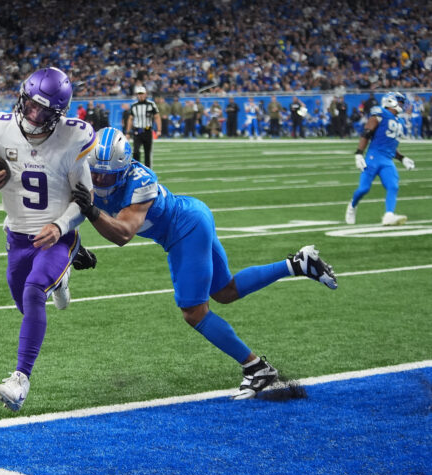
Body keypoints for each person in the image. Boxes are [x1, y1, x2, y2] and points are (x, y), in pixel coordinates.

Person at [72, 127, 338, 399]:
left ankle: (256, 368)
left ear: (124, 168)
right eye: (95, 172)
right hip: (191, 217)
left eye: (107, 175)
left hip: (185, 227)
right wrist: (74, 241)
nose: (99, 179)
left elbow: (123, 234)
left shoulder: (140, 182)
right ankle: (299, 264)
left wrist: (91, 211)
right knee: (225, 291)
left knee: (194, 312)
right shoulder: (82, 169)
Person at [0, 67, 97, 412]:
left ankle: (20, 381)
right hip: (18, 235)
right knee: (23, 303)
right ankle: (62, 278)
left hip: (56, 236)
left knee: (34, 290)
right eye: (31, 105)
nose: (34, 115)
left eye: (43, 111)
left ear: (59, 115)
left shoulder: (73, 138)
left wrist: (61, 227)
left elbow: (85, 201)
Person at [345, 92, 416, 226]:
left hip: (387, 160)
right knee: (364, 189)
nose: (402, 105)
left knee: (393, 186)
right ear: (390, 101)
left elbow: (389, 145)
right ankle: (352, 206)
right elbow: (367, 132)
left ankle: (389, 215)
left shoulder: (399, 121)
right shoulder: (380, 113)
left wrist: (402, 158)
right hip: (374, 157)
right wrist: (359, 153)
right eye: (400, 102)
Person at [126, 86, 160, 167]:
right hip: (137, 131)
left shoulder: (151, 104)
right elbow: (130, 119)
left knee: (147, 153)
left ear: (145, 94)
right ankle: (136, 169)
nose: (140, 95)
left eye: (142, 94)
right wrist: (128, 132)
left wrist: (159, 130)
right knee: (136, 151)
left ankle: (148, 170)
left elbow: (157, 117)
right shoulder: (134, 106)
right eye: (139, 94)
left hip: (147, 131)